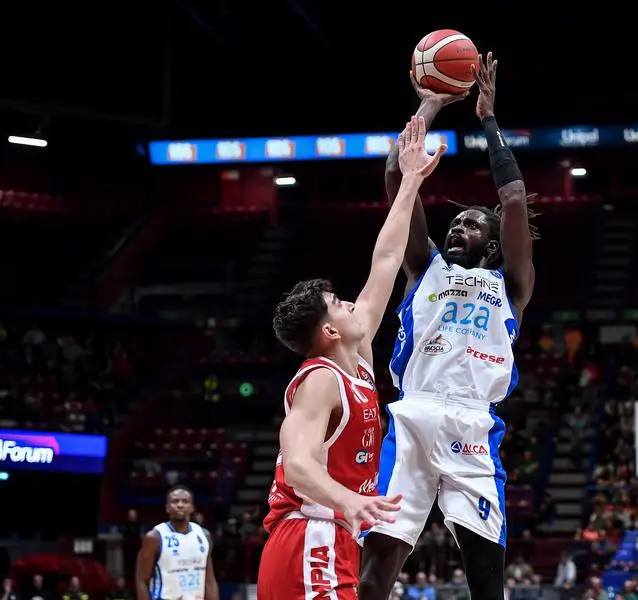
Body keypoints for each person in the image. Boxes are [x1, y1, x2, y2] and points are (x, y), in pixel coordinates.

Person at [360, 52, 536, 600]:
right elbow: (395, 176)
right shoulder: (424, 266)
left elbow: (512, 199)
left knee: (488, 582)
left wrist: (488, 120)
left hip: (474, 428)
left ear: (490, 241)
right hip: (412, 417)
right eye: (454, 221)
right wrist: (429, 104)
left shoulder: (512, 286)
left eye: (470, 224)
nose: (458, 227)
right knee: (376, 572)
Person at [256, 116, 447, 600]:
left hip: (334, 535)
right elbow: (298, 464)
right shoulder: (319, 380)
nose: (351, 303)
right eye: (339, 303)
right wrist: (348, 501)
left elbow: (385, 262)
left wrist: (410, 182)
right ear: (328, 331)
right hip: (309, 534)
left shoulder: (356, 359)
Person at [135, 486, 218, 600]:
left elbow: (209, 580)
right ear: (167, 508)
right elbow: (142, 581)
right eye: (175, 501)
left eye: (185, 501)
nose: (180, 505)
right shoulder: (155, 537)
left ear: (192, 507)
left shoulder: (204, 535)